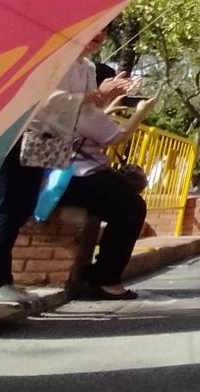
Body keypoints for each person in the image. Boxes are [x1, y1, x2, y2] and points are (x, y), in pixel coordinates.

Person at [0, 27, 133, 304]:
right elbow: (43, 99)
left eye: (104, 30)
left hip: (51, 142)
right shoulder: (54, 58)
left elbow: (84, 113)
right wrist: (93, 96)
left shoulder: (87, 68)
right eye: (94, 28)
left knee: (20, 208)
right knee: (10, 207)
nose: (99, 35)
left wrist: (108, 109)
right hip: (21, 137)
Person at [63, 86, 155, 301]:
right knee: (131, 207)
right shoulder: (85, 111)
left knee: (126, 201)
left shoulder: (77, 109)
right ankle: (106, 279)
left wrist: (108, 110)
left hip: (71, 175)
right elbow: (118, 137)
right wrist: (141, 111)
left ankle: (104, 274)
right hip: (76, 177)